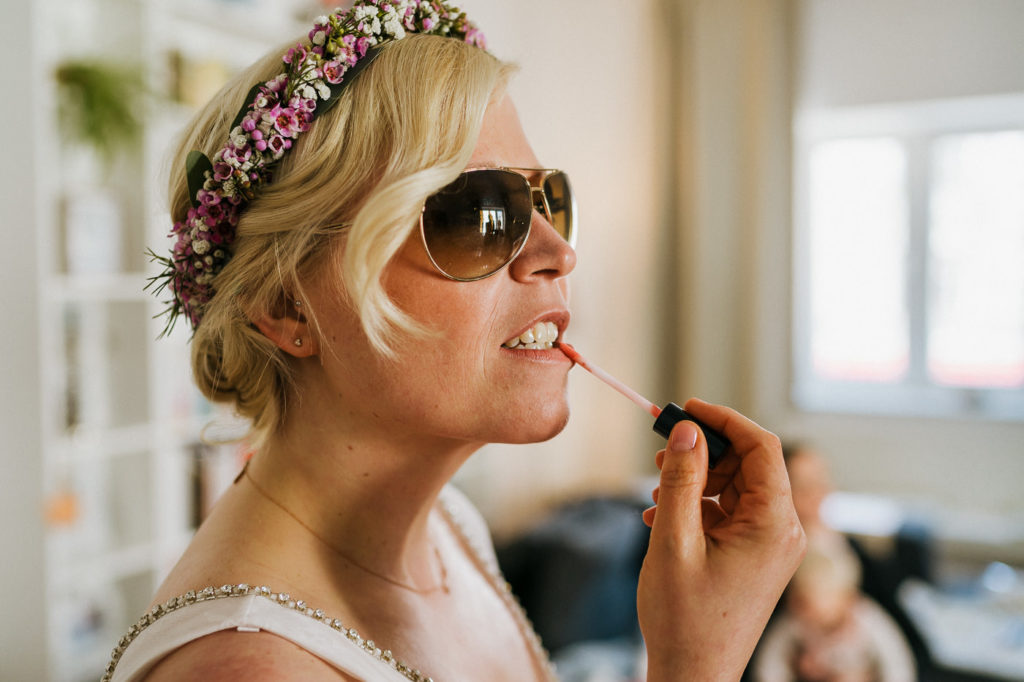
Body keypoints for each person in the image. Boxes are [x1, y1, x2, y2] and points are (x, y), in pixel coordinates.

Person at [103, 2, 805, 680]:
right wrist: (699, 666)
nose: (558, 251)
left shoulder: (448, 529)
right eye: (479, 211)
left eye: (546, 200)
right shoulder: (244, 672)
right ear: (285, 306)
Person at [751, 540, 916, 682]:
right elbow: (770, 662)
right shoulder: (795, 622)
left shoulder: (867, 620)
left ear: (846, 598)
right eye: (794, 598)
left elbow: (896, 663)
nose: (796, 606)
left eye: (806, 602)